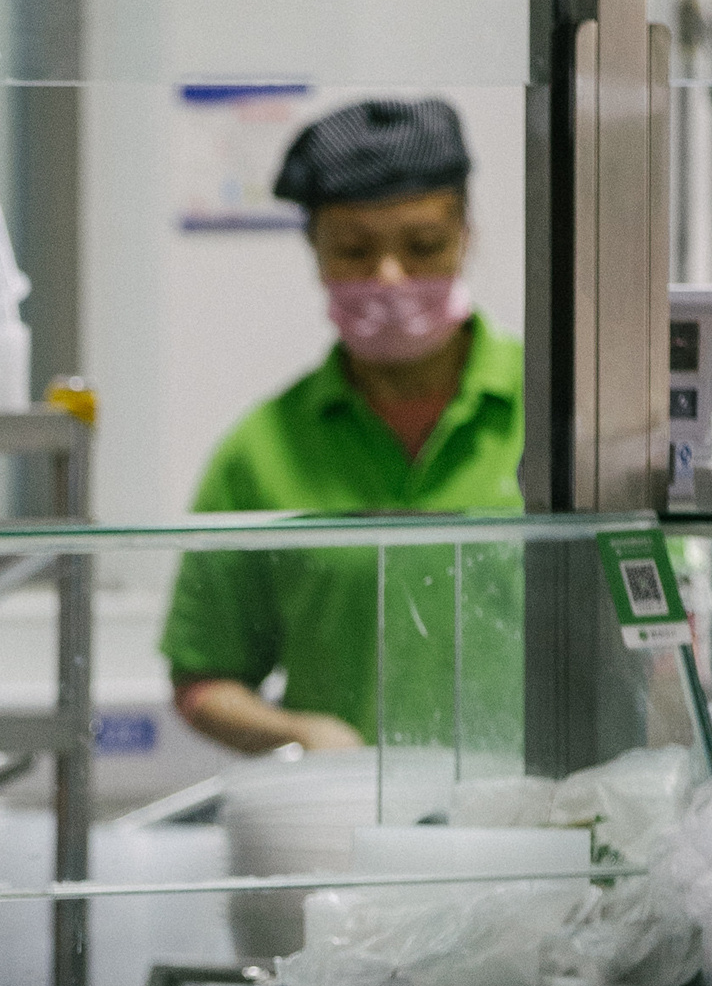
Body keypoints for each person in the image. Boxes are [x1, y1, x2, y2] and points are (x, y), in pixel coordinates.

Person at [162, 96, 524, 755]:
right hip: (344, 830)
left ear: (467, 234)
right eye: (354, 250)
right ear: (315, 249)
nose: (389, 277)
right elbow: (202, 676)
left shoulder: (563, 419)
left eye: (423, 247)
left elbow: (658, 641)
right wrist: (296, 734)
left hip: (541, 825)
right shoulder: (262, 454)